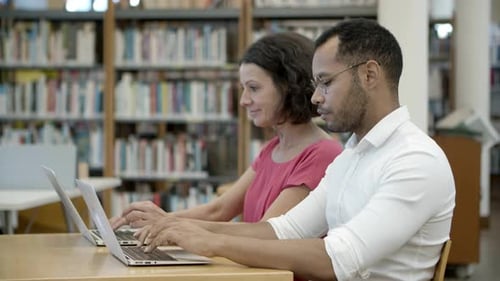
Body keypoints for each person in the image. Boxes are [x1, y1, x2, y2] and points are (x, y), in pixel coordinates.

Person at [137, 18, 456, 281]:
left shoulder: (415, 160)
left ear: (369, 75)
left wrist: (212, 242)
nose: (315, 98)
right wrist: (183, 228)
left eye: (326, 82)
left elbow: (338, 259)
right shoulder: (353, 156)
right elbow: (284, 230)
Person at [110, 32, 343, 229]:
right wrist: (153, 222)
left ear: (289, 87)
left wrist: (168, 225)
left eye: (253, 88)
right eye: (243, 89)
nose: (243, 101)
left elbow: (266, 233)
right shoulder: (271, 149)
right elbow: (218, 210)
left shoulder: (322, 155)